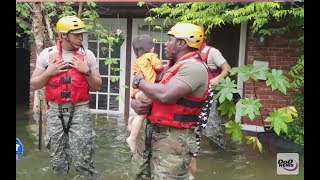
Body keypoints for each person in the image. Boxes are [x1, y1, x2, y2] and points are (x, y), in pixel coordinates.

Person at [128, 22, 210, 179]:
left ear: (181, 43)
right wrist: (137, 104)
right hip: (152, 132)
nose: (166, 44)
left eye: (170, 40)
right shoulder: (169, 68)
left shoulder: (194, 68)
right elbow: (153, 96)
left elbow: (166, 94)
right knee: (137, 174)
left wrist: (139, 82)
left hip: (174, 139)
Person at [30, 16, 102, 178]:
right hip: (55, 112)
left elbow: (97, 86)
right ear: (63, 35)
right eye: (76, 34)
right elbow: (34, 84)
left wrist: (87, 71)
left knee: (84, 160)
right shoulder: (47, 55)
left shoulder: (88, 55)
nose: (80, 37)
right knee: (57, 161)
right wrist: (49, 72)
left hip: (80, 111)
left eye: (81, 34)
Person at [126, 34, 164, 153]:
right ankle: (132, 138)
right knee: (144, 113)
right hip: (145, 90)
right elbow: (158, 67)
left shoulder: (138, 60)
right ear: (152, 48)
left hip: (137, 91)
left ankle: (132, 122)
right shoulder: (151, 56)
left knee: (142, 114)